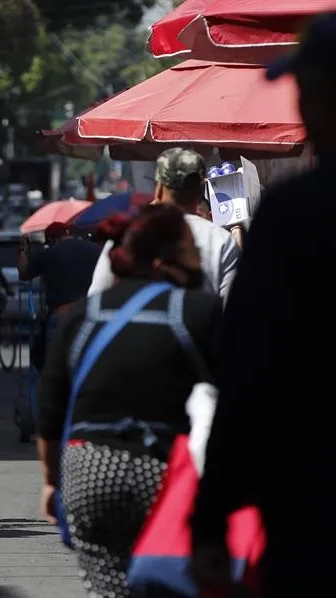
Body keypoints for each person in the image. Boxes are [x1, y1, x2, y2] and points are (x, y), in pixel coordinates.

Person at [192, 14, 336, 596]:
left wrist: (209, 521)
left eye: (306, 89)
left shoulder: (298, 214)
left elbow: (250, 369)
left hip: (314, 510)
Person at [38, 204, 221, 598]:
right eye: (190, 248)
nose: (199, 258)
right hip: (164, 471)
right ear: (162, 259)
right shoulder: (199, 310)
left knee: (109, 589)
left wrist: (52, 483)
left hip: (88, 473)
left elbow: (50, 410)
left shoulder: (82, 314)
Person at [89, 148, 241, 304]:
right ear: (199, 191)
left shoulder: (129, 230)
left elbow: (96, 296)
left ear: (159, 189)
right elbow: (229, 307)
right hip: (199, 326)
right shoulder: (222, 239)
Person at [18, 222, 101, 362]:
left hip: (61, 314)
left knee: (53, 361)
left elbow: (24, 273)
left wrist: (22, 248)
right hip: (90, 314)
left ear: (51, 240)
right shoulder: (95, 250)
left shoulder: (49, 253)